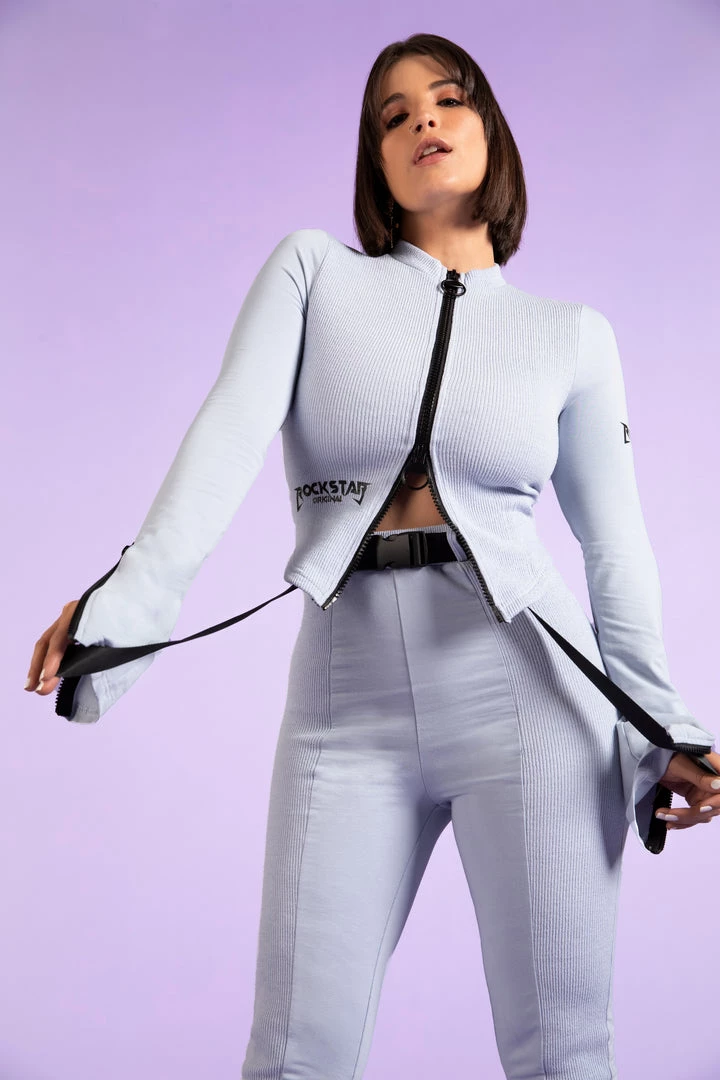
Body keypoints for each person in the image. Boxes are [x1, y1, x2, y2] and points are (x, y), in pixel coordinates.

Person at [25, 32, 719, 1080]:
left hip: (530, 695)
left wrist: (661, 726)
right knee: (292, 1058)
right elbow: (227, 434)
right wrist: (127, 602)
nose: (424, 120)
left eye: (448, 100)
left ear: (489, 130)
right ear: (376, 162)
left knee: (566, 1056)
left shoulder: (572, 335)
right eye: (394, 117)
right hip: (341, 703)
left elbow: (616, 551)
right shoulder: (315, 274)